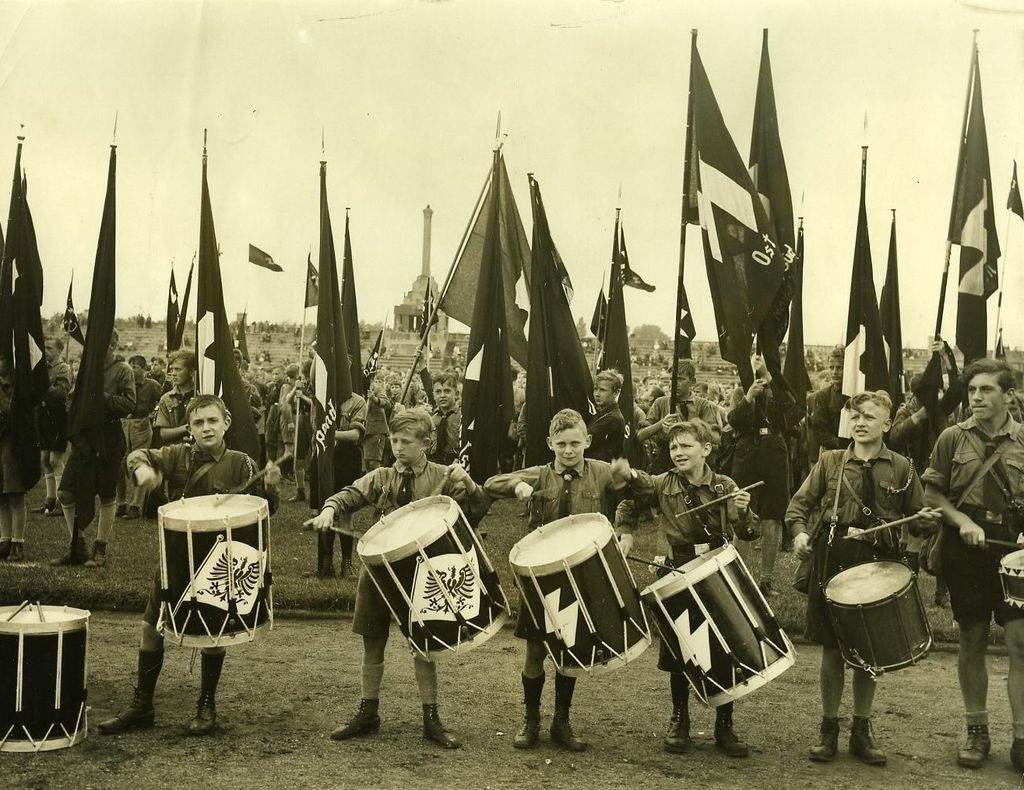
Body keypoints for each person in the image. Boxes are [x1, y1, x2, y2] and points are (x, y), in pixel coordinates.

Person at [97, 394, 281, 737]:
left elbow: (267, 509)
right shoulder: (177, 455)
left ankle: (206, 704)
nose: (205, 428)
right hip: (176, 555)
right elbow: (137, 454)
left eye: (212, 421)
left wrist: (270, 486)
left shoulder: (242, 463)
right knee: (151, 626)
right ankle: (142, 706)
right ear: (189, 428)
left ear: (226, 423)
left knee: (216, 631)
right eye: (198, 422)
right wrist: (143, 471)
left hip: (220, 561)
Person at [306, 409, 488, 749]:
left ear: (427, 444)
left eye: (407, 441)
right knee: (372, 639)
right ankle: (368, 711)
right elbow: (349, 494)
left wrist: (471, 484)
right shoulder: (382, 476)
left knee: (424, 644)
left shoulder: (443, 476)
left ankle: (431, 718)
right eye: (394, 440)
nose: (398, 447)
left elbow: (476, 510)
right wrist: (330, 509)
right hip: (379, 570)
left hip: (422, 572)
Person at [788, 390, 939, 767]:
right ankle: (828, 728)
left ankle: (861, 728)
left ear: (887, 423)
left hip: (878, 561)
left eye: (869, 416)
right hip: (833, 557)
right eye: (854, 416)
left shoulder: (903, 468)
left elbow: (919, 514)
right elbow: (799, 506)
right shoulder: (831, 462)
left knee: (868, 652)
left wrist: (926, 520)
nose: (859, 422)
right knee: (832, 649)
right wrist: (800, 533)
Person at [482, 408, 633, 752]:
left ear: (588, 442)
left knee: (572, 647)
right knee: (535, 649)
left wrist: (623, 529)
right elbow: (491, 484)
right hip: (542, 575)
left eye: (575, 444)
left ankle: (561, 720)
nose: (568, 451)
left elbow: (630, 495)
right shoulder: (540, 474)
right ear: (550, 443)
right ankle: (531, 718)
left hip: (583, 573)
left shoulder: (602, 473)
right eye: (561, 444)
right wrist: (517, 483)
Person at [614, 419, 758, 758]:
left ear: (706, 449)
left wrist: (741, 513)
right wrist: (626, 529)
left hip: (718, 566)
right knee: (680, 646)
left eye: (686, 446)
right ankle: (680, 719)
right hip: (677, 568)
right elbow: (631, 498)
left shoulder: (724, 486)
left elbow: (750, 532)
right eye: (673, 447)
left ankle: (725, 723)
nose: (678, 452)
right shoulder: (663, 483)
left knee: (728, 644)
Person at [922, 358, 1024, 771]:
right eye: (972, 391)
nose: (977, 398)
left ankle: (1021, 736)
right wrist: (961, 521)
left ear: (1009, 396)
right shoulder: (951, 438)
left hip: (1015, 552)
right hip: (965, 551)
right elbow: (932, 495)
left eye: (986, 390)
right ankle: (976, 731)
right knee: (972, 639)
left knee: (1020, 643)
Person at [52, 328, 136, 567]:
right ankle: (77, 545)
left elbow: (130, 403)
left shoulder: (123, 370)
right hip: (86, 438)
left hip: (109, 436)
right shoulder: (86, 370)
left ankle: (100, 548)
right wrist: (77, 405)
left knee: (107, 493)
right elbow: (71, 397)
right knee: (66, 491)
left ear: (113, 345)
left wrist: (103, 397)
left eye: (102, 344)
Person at [728, 354, 804, 596]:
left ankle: (766, 581)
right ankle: (740, 578)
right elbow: (734, 420)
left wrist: (770, 381)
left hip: (774, 452)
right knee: (743, 512)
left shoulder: (778, 391)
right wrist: (750, 396)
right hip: (747, 453)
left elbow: (793, 412)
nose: (757, 370)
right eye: (753, 365)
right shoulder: (740, 393)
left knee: (772, 516)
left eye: (761, 366)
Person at [314, 389, 367, 578]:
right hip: (325, 455)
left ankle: (347, 563)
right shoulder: (321, 395)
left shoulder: (357, 401)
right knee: (324, 510)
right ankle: (326, 563)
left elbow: (355, 435)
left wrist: (329, 434)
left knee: (345, 512)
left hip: (347, 457)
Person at [638, 360, 719, 474]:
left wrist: (694, 422)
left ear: (692, 382)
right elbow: (640, 435)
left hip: (694, 466)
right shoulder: (660, 403)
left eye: (680, 379)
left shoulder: (704, 405)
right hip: (664, 464)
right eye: (672, 379)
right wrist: (661, 424)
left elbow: (715, 438)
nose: (675, 383)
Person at [116, 355, 163, 520]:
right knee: (119, 464)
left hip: (141, 425)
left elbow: (162, 401)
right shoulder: (124, 384)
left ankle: (135, 505)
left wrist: (152, 415)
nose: (132, 370)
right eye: (130, 366)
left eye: (135, 367)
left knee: (139, 462)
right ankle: (121, 503)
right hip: (124, 424)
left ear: (144, 369)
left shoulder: (152, 385)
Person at [35, 336, 73, 517]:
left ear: (59, 350)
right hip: (43, 415)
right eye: (45, 348)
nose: (46, 352)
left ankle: (61, 501)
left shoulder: (63, 369)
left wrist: (43, 387)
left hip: (57, 416)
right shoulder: (44, 369)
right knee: (44, 460)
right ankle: (49, 501)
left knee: (55, 461)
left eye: (50, 348)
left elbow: (61, 393)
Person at [0, 353, 29, 561]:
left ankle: (18, 542)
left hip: (12, 446)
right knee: (1, 496)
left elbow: (14, 415)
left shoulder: (16, 390)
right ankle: (4, 539)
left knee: (14, 494)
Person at [809, 346, 848, 458]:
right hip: (832, 454)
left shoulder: (856, 395)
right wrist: (842, 444)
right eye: (832, 368)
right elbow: (819, 432)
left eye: (840, 368)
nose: (835, 372)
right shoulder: (823, 396)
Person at [587, 369, 626, 462]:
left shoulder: (613, 418)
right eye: (595, 389)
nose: (597, 394)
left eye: (603, 390)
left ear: (616, 392)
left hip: (602, 470)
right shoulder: (602, 412)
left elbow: (586, 441)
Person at [429, 370, 462, 466]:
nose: (442, 395)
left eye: (447, 391)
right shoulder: (432, 419)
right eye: (438, 392)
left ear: (456, 394)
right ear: (433, 395)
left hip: (458, 465)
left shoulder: (462, 416)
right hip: (436, 466)